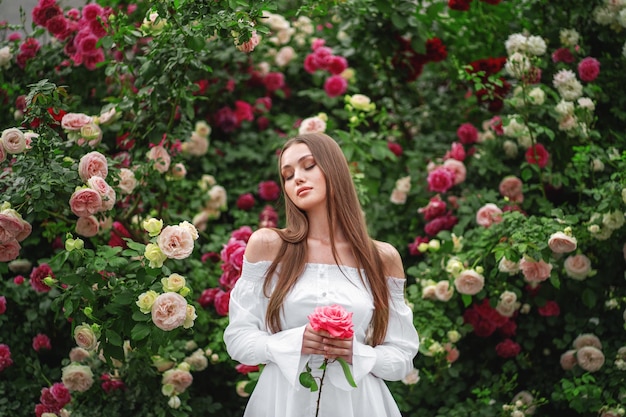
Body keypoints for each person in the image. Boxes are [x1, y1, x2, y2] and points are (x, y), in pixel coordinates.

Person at [224, 132, 419, 417]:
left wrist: (355, 352)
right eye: (288, 175)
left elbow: (401, 357)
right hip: (283, 403)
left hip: (359, 406)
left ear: (333, 168)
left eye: (308, 165)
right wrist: (292, 343)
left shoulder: (382, 258)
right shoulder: (268, 246)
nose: (297, 179)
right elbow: (238, 338)